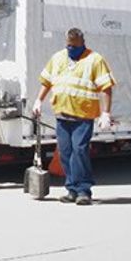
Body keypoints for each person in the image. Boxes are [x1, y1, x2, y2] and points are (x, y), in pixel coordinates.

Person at [32, 28, 115, 205]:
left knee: (79, 151)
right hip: (62, 115)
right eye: (69, 46)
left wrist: (105, 113)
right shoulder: (58, 58)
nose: (71, 49)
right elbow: (46, 81)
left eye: (75, 46)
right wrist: (38, 100)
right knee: (65, 153)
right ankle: (71, 189)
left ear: (82, 42)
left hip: (83, 117)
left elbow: (106, 88)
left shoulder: (95, 60)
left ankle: (83, 190)